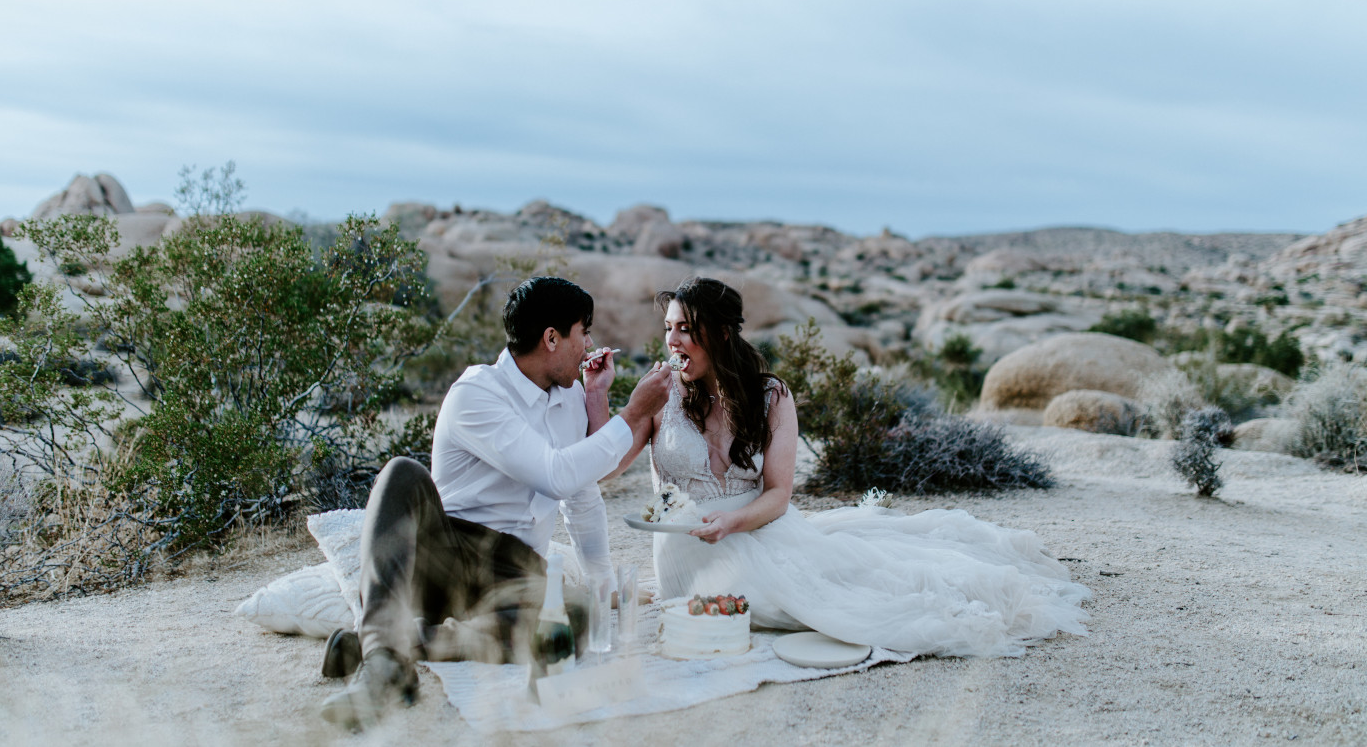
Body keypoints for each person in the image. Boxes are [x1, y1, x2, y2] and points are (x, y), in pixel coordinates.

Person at [610, 276, 1089, 656]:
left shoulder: (770, 396)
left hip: (755, 530)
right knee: (783, 607)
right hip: (684, 553)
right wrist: (604, 399)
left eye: (685, 328)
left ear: (720, 333)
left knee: (843, 602)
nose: (671, 339)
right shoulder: (657, 395)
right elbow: (604, 467)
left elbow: (778, 493)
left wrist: (734, 521)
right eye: (669, 327)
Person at [321, 276, 672, 728]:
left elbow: (580, 489)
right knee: (401, 474)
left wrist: (603, 581)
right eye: (582, 332)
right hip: (446, 552)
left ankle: (411, 644)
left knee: (580, 615)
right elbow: (555, 474)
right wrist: (634, 412)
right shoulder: (477, 394)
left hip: (517, 569)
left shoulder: (568, 398)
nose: (589, 345)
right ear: (551, 338)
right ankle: (382, 663)